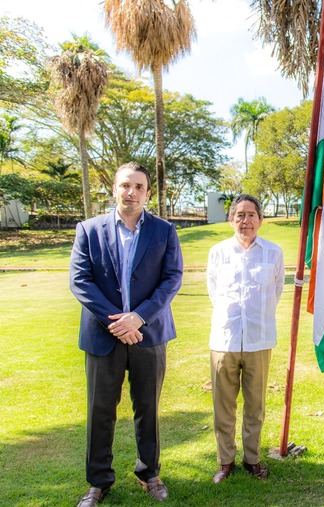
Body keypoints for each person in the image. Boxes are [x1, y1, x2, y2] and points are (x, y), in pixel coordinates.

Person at [70, 162, 183, 506]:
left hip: (149, 336)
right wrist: (116, 322)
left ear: (148, 193)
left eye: (138, 186)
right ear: (114, 189)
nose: (131, 192)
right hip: (103, 338)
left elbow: (172, 278)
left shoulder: (164, 231)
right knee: (100, 410)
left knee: (147, 408)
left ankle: (149, 473)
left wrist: (139, 318)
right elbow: (80, 280)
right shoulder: (88, 230)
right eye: (124, 185)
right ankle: (98, 481)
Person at [207, 194, 284, 484]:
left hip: (259, 340)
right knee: (223, 406)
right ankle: (225, 461)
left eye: (251, 214)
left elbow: (275, 292)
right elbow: (214, 292)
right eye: (239, 215)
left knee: (256, 405)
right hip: (224, 340)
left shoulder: (273, 253)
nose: (245, 220)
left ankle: (252, 459)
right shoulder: (218, 253)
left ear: (260, 220)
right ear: (231, 220)